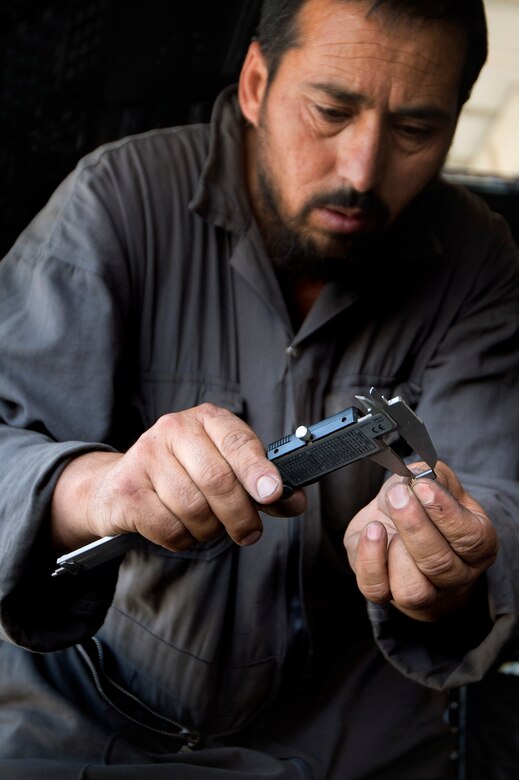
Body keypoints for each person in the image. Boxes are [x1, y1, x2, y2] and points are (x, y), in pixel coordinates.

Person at [0, 0, 518, 777]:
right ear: (253, 84)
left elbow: (494, 497)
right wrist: (97, 490)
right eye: (330, 110)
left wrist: (446, 574)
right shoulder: (115, 200)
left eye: (415, 131)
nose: (360, 170)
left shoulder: (480, 260)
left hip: (353, 743)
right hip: (86, 719)